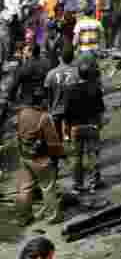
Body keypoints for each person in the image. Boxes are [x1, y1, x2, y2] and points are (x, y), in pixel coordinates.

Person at [14, 88, 64, 226]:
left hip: (24, 156)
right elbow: (53, 141)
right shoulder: (44, 117)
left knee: (24, 187)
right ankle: (52, 217)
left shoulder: (21, 113)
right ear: (42, 101)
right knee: (47, 187)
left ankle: (22, 217)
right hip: (40, 159)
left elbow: (17, 133)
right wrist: (60, 154)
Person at [65, 58, 106, 194]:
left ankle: (78, 184)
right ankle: (94, 182)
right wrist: (99, 124)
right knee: (93, 155)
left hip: (76, 128)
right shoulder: (95, 89)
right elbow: (100, 110)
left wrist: (67, 129)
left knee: (77, 157)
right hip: (92, 126)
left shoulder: (70, 90)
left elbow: (67, 113)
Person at [44, 44, 78, 141]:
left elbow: (48, 92)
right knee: (72, 128)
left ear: (60, 58)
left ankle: (60, 148)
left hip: (56, 108)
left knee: (57, 133)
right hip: (72, 107)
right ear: (73, 58)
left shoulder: (50, 74)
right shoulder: (76, 72)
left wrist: (49, 107)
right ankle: (70, 139)